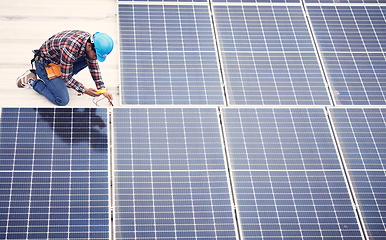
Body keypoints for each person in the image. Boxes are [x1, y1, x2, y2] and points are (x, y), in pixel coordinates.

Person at [16, 30, 114, 106]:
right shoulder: (70, 48)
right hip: (45, 64)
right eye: (96, 54)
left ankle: (61, 82)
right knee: (62, 100)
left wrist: (102, 88)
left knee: (88, 58)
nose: (96, 58)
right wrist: (84, 90)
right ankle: (32, 81)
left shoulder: (90, 41)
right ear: (89, 46)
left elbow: (93, 65)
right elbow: (66, 78)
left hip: (60, 60)